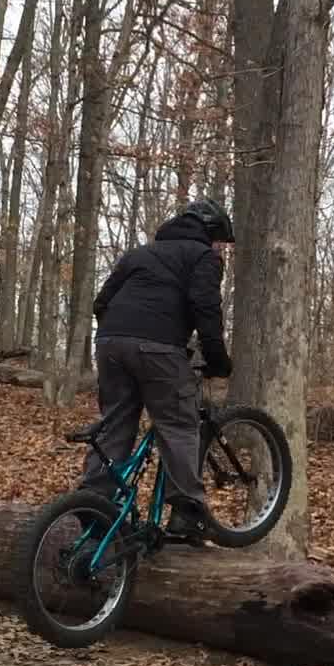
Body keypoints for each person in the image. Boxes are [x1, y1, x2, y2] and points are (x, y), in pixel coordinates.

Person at [80, 198, 235, 543]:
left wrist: (123, 337)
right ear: (209, 233)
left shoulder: (139, 254)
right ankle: (187, 515)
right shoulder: (203, 258)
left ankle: (93, 505)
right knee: (179, 425)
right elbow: (205, 309)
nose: (222, 248)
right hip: (159, 348)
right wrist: (218, 359)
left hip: (110, 343)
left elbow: (100, 303)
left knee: (114, 427)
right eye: (221, 240)